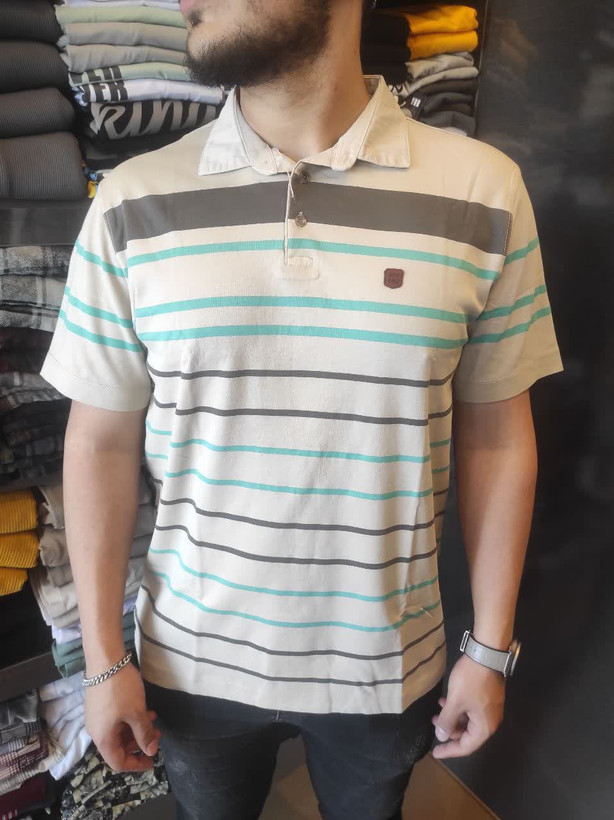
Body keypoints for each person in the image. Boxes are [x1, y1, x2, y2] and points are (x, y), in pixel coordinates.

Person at [40, 0, 564, 817]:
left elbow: (498, 437)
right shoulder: (132, 202)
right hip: (190, 665)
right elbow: (99, 440)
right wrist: (105, 661)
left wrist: (490, 649)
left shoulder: (484, 191)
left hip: (388, 667)